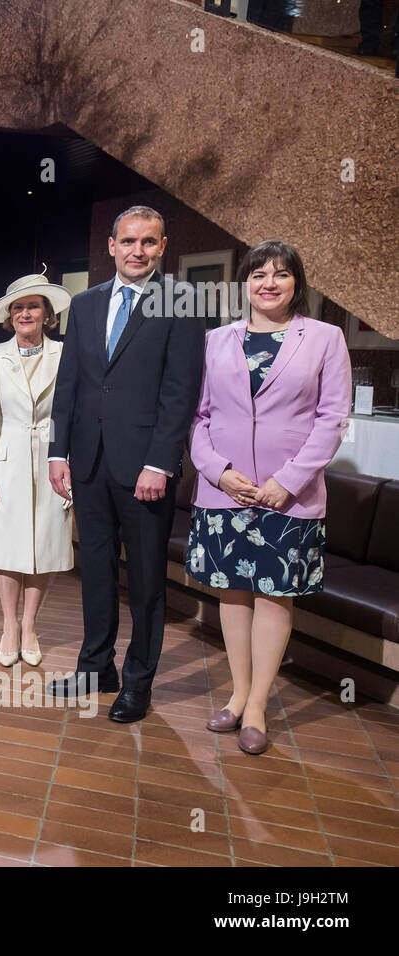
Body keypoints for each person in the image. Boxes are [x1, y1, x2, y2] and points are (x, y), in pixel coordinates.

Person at [188, 240, 351, 755]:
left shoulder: (325, 338)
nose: (269, 283)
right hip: (225, 492)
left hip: (289, 497)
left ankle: (258, 704)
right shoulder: (218, 339)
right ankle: (236, 694)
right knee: (232, 593)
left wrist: (291, 479)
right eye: (259, 274)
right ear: (245, 284)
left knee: (274, 596)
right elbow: (201, 418)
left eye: (281, 275)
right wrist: (218, 472)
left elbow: (332, 420)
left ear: (296, 284)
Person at [47, 205, 205, 722]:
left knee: (144, 583)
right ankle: (96, 668)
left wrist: (160, 463)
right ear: (111, 246)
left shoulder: (180, 302)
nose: (137, 251)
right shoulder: (86, 304)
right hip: (88, 463)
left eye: (149, 242)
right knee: (94, 573)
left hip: (145, 470)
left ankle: (138, 681)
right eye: (128, 241)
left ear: (163, 247)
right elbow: (69, 383)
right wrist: (57, 452)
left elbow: (181, 393)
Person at [0, 272, 74, 668]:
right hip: (6, 459)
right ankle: (9, 625)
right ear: (9, 315)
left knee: (44, 543)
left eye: (33, 306)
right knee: (7, 546)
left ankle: (30, 624)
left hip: (54, 459)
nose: (25, 313)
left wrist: (69, 461)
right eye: (18, 307)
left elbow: (73, 413)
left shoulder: (65, 354)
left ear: (46, 314)